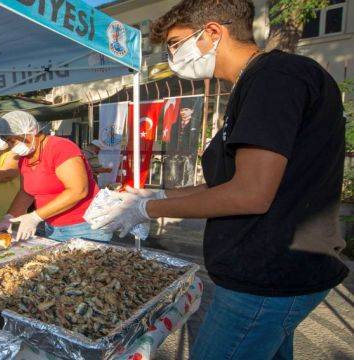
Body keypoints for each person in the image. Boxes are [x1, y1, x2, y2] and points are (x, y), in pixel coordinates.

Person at [92, 1, 349, 358]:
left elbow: (250, 194)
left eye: (176, 43)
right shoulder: (252, 86)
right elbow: (223, 182)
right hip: (268, 276)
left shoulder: (275, 77)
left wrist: (148, 210)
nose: (172, 56)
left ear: (212, 32)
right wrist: (153, 193)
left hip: (269, 278)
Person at [0, 111, 111, 242]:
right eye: (8, 142)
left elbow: (78, 191)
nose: (11, 147)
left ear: (30, 131)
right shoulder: (24, 158)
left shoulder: (60, 147)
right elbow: (26, 192)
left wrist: (35, 216)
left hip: (84, 227)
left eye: (13, 141)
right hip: (51, 227)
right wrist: (9, 217)